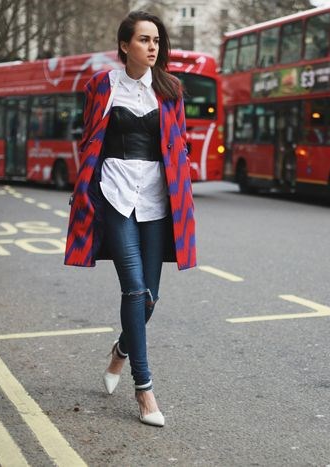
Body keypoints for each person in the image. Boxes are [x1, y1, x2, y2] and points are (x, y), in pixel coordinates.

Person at [64, 10, 197, 427]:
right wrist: (86, 189)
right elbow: (90, 138)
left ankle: (121, 351)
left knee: (150, 298)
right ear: (125, 45)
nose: (152, 47)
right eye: (143, 39)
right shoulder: (102, 85)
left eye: (156, 40)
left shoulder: (171, 89)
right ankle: (144, 390)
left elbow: (180, 142)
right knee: (135, 289)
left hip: (158, 200)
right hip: (115, 195)